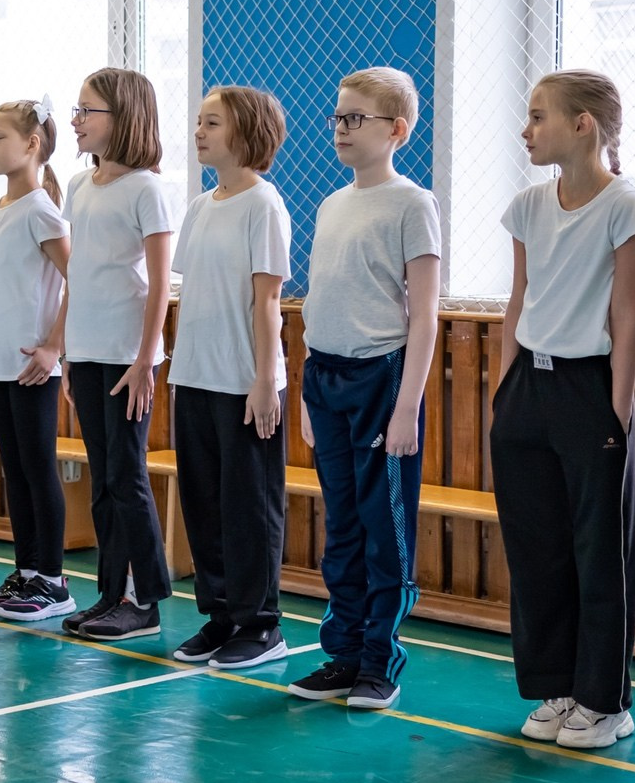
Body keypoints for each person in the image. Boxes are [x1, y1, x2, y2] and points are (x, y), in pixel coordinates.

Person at [491, 70, 635, 750]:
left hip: (589, 392)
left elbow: (626, 315)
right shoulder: (528, 206)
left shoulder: (626, 208)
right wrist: (505, 393)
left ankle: (604, 700)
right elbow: (517, 300)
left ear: (582, 124)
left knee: (599, 552)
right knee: (536, 548)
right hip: (528, 386)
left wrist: (615, 413)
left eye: (538, 117)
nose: (526, 131)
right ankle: (555, 688)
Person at [288, 68, 440, 710]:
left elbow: (425, 313)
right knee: (342, 528)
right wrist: (304, 388)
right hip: (326, 377)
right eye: (338, 117)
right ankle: (343, 654)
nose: (343, 129)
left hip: (381, 380)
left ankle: (380, 660)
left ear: (396, 129)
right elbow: (320, 299)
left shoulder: (413, 204)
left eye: (357, 119)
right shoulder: (330, 204)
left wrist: (406, 405)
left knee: (386, 531)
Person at [171, 86, 292, 671]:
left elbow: (266, 301)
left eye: (212, 123)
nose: (200, 132)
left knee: (249, 505)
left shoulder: (263, 205)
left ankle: (260, 625)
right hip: (194, 376)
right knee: (204, 503)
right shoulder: (200, 206)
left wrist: (265, 380)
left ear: (245, 133)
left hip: (245, 382)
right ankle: (220, 617)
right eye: (198, 122)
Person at [59, 68, 177, 640]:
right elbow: (78, 274)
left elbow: (159, 284)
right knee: (102, 478)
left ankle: (145, 600)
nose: (77, 122)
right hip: (85, 351)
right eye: (77, 110)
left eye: (88, 111)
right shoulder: (80, 187)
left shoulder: (147, 190)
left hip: (127, 354)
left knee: (127, 475)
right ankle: (109, 594)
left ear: (122, 118)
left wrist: (144, 359)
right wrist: (65, 352)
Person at [0, 98, 73, 621]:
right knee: (15, 470)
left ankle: (52, 579)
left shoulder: (44, 212)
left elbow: (81, 281)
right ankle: (26, 572)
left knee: (36, 467)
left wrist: (53, 344)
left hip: (32, 365)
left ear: (32, 145)